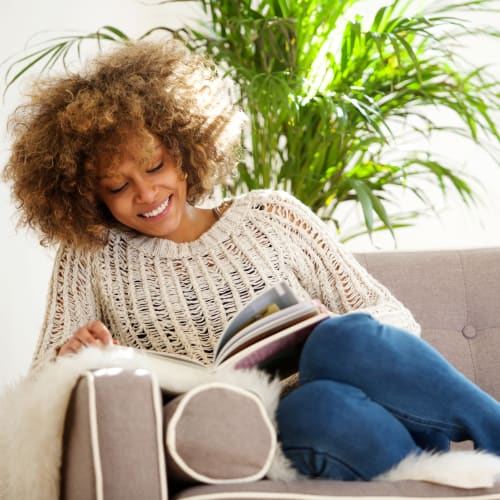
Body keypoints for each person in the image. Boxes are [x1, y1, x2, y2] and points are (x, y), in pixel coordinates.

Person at [4, 39, 500, 482]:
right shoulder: (90, 256)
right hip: (271, 431)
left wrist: (311, 343)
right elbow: (40, 398)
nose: (147, 193)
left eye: (156, 166)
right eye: (118, 185)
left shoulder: (271, 213)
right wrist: (71, 359)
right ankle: (427, 465)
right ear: (88, 195)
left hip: (347, 385)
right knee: (317, 408)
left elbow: (391, 317)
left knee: (340, 337)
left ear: (185, 146)